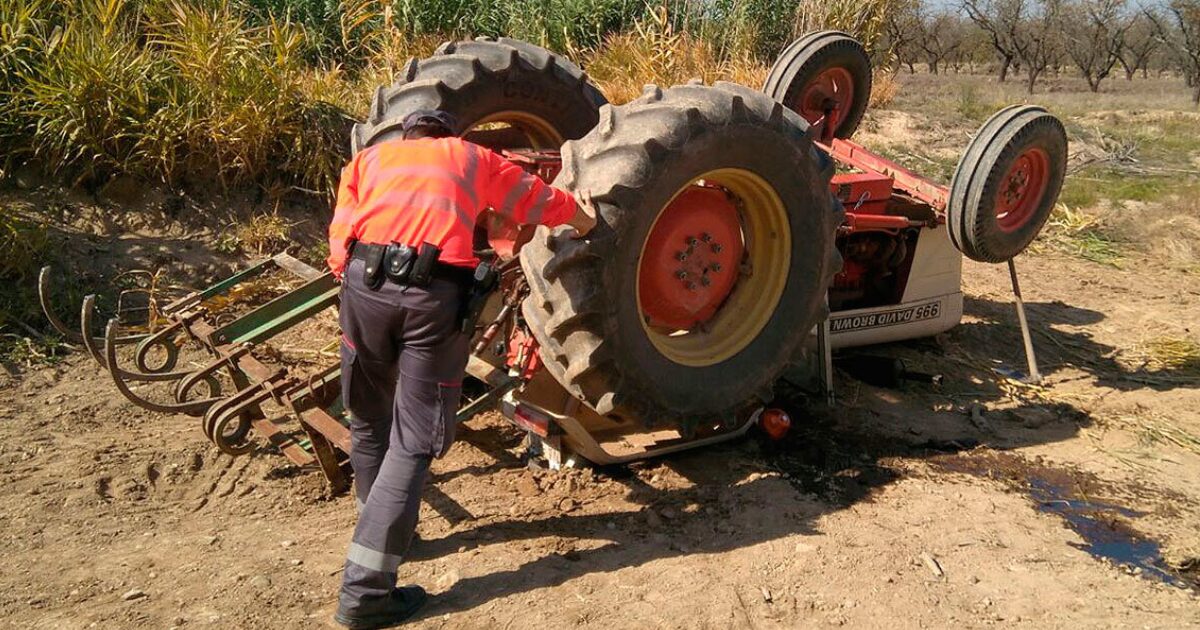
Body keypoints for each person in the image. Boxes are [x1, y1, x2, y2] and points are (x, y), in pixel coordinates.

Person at [327, 109, 596, 629]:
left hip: (361, 290)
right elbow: (533, 200)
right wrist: (580, 218)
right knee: (414, 440)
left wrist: (362, 286)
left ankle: (385, 527)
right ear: (448, 135)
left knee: (368, 415)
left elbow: (341, 235)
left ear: (407, 137)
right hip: (431, 299)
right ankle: (364, 593)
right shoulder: (469, 157)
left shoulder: (368, 161)